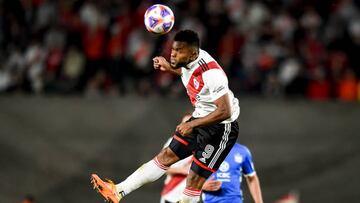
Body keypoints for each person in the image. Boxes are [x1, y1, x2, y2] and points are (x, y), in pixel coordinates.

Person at [91, 29, 240, 203]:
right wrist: (169, 68)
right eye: (173, 49)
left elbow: (225, 111)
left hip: (221, 129)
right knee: (165, 156)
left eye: (179, 51)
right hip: (200, 118)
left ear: (192, 54)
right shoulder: (190, 62)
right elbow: (190, 75)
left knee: (193, 180)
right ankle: (119, 191)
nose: (173, 54)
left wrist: (192, 125)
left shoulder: (212, 74)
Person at [160, 142, 263, 203]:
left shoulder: (242, 151)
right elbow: (191, 176)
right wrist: (202, 186)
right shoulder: (204, 151)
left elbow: (252, 177)